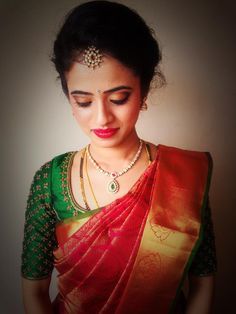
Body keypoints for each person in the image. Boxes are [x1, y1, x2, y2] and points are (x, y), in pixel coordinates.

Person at [21, 1, 217, 313]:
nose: (101, 118)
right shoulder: (50, 180)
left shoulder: (183, 177)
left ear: (144, 91)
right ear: (69, 98)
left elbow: (203, 282)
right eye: (83, 101)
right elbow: (34, 292)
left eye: (118, 98)